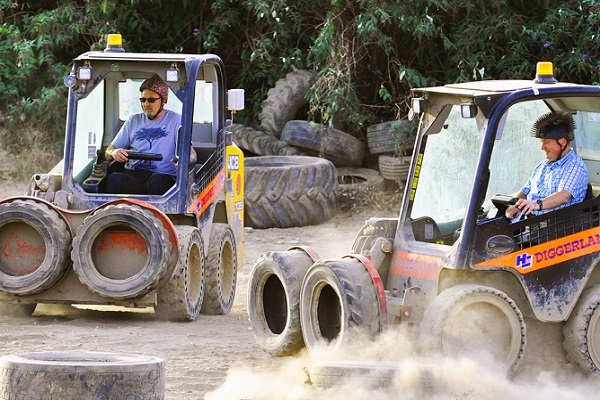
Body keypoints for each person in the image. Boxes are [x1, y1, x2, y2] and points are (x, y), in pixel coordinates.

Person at [105, 74, 195, 195]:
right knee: (116, 178)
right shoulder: (133, 121)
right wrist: (114, 153)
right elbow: (108, 152)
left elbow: (192, 154)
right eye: (143, 100)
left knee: (157, 182)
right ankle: (116, 213)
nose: (146, 104)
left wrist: (185, 159)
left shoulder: (176, 120)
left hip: (163, 176)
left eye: (151, 100)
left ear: (164, 100)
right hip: (134, 173)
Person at [505, 110, 588, 220]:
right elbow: (525, 191)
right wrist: (515, 205)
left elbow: (564, 196)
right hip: (526, 221)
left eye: (546, 142)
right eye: (542, 143)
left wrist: (536, 205)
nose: (542, 147)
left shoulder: (575, 165)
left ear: (562, 142)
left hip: (553, 227)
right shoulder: (543, 166)